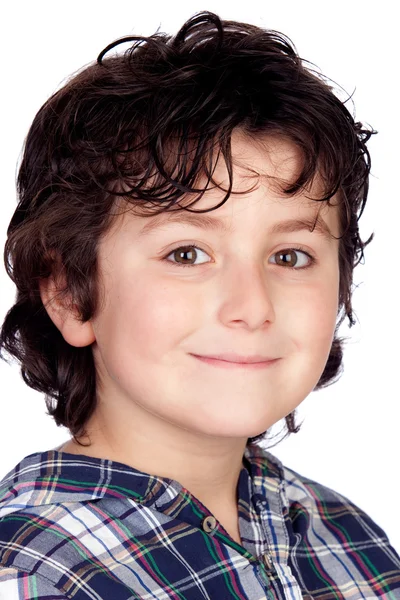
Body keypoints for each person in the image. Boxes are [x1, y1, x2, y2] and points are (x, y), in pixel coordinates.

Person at [0, 9, 399, 599]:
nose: (252, 306)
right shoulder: (37, 572)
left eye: (290, 256)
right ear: (69, 294)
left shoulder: (350, 539)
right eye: (187, 253)